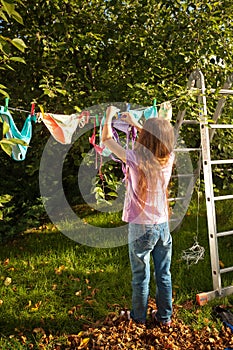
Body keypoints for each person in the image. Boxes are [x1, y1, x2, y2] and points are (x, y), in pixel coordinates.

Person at [101, 105, 175, 326]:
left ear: (144, 137)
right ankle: (165, 318)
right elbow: (157, 140)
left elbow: (106, 138)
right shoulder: (168, 157)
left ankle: (139, 319)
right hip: (162, 225)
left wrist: (109, 114)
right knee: (164, 274)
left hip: (141, 227)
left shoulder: (134, 158)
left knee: (140, 276)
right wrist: (135, 123)